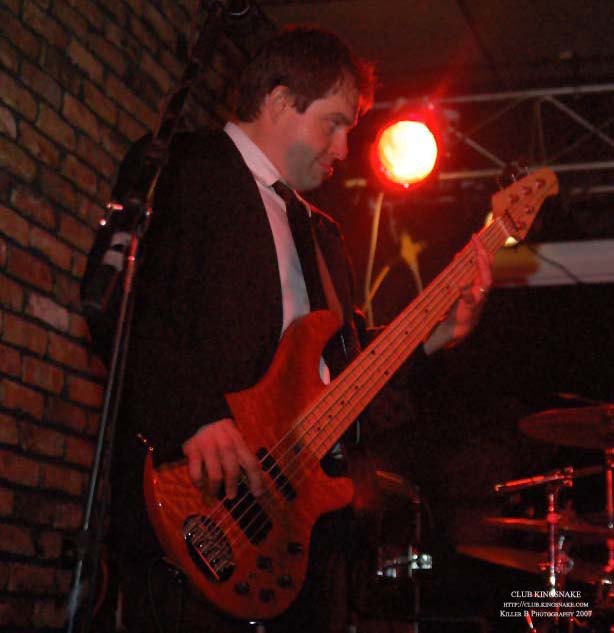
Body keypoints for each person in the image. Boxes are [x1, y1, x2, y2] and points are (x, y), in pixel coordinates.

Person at [95, 25, 492, 633]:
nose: (343, 148)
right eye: (333, 123)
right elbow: (126, 303)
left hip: (299, 536)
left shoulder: (323, 234)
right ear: (280, 101)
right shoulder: (185, 167)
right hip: (198, 506)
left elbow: (345, 376)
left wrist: (431, 336)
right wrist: (196, 417)